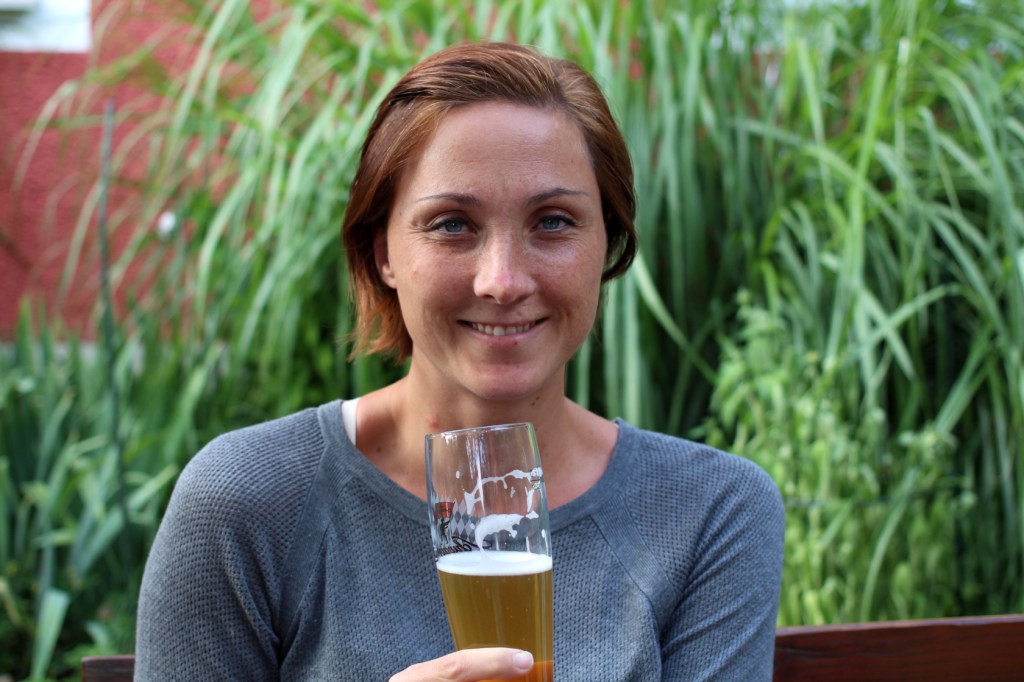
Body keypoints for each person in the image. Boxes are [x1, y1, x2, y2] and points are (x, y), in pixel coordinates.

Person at [135, 41, 784, 681]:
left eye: (553, 221)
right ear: (382, 252)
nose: (502, 281)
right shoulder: (249, 501)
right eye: (451, 224)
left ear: (607, 245)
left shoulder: (708, 513)